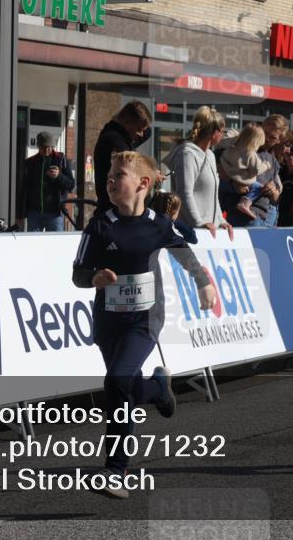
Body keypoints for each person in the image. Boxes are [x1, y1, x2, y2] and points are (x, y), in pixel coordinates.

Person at [73, 151, 216, 499]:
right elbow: (77, 274)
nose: (109, 181)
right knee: (123, 387)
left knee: (118, 380)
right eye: (107, 176)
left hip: (144, 319)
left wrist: (204, 283)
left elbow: (187, 255)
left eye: (117, 175)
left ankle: (115, 470)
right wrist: (95, 277)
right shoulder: (99, 224)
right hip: (109, 321)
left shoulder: (158, 225)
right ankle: (156, 389)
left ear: (143, 184)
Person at [163, 106, 234, 239]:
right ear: (214, 132)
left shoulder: (210, 155)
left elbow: (213, 197)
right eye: (222, 131)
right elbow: (184, 194)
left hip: (208, 232)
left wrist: (221, 221)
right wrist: (199, 223)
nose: (223, 135)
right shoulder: (187, 155)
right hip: (190, 233)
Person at [93, 101, 152, 214]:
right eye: (139, 128)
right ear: (127, 122)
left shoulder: (120, 136)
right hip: (115, 211)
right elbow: (132, 169)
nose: (140, 134)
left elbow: (147, 132)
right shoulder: (115, 141)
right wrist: (152, 173)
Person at [17, 132, 75, 232]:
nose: (47, 150)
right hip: (34, 213)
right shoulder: (31, 162)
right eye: (44, 147)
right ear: (38, 146)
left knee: (55, 244)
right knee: (34, 244)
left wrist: (59, 176)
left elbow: (71, 185)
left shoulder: (60, 159)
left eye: (50, 147)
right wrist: (20, 214)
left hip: (55, 213)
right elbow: (24, 189)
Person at [219, 123, 271, 221]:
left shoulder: (232, 143)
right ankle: (245, 203)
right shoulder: (250, 154)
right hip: (240, 185)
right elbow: (257, 170)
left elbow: (221, 143)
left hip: (224, 181)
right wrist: (266, 165)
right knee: (258, 187)